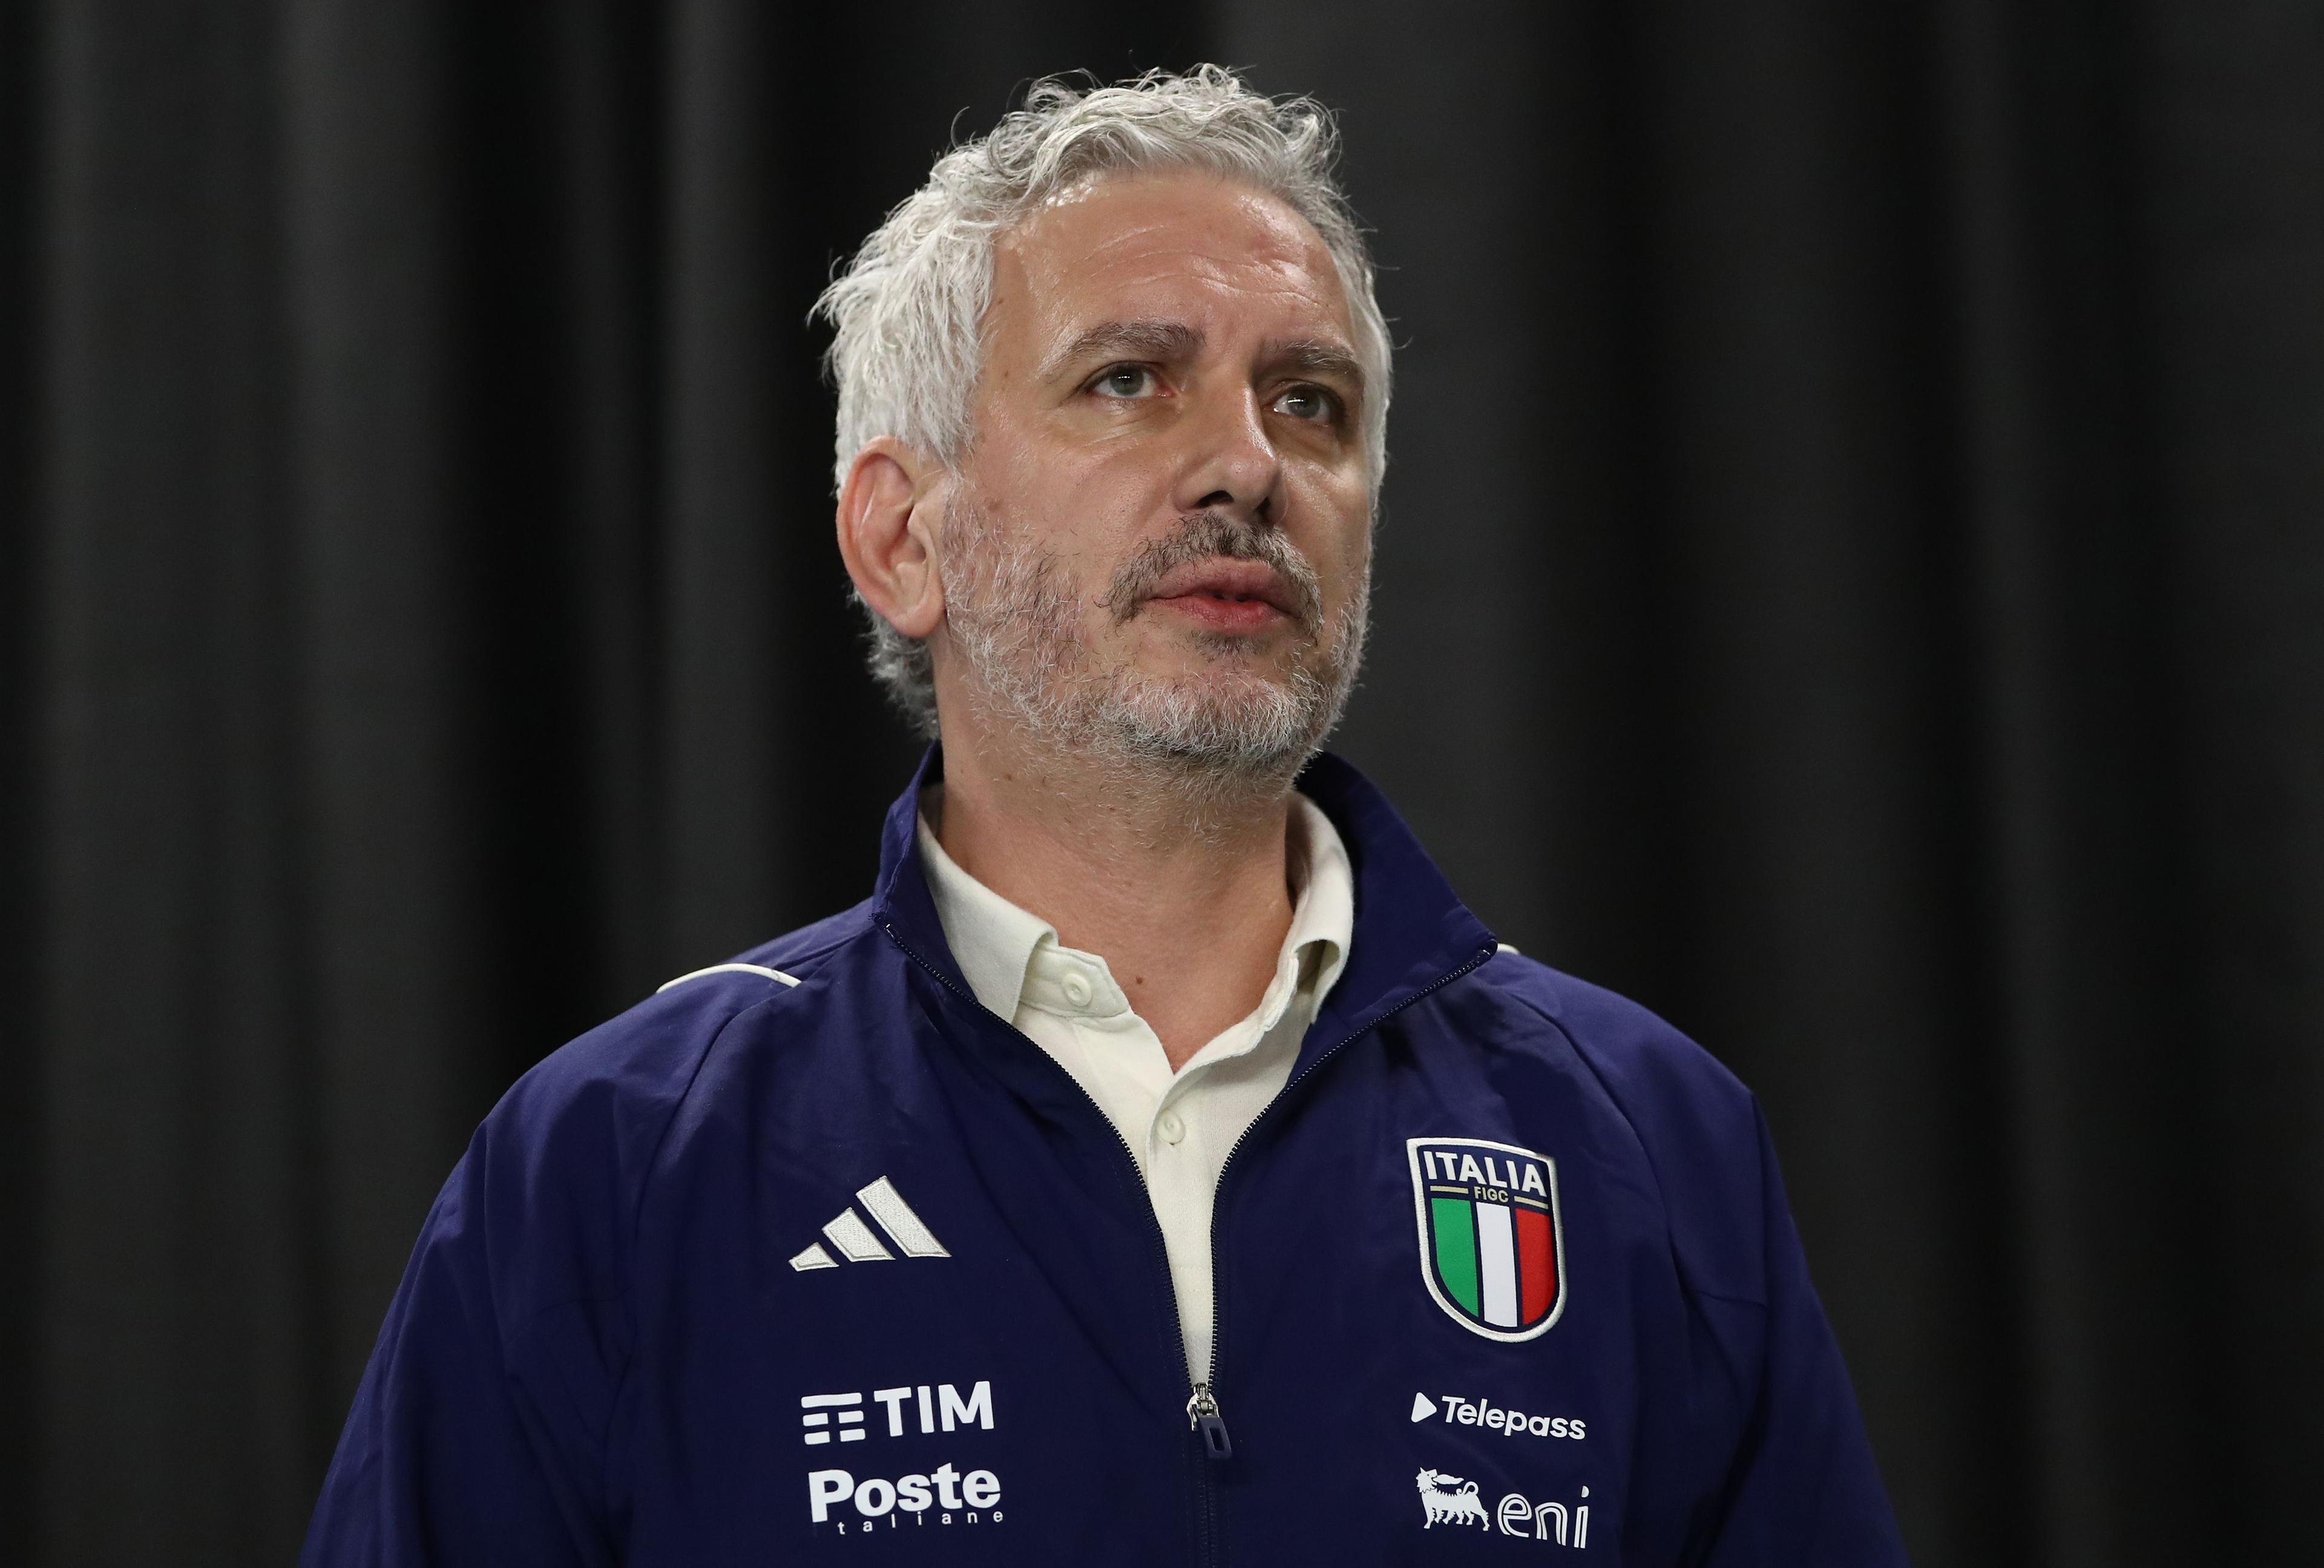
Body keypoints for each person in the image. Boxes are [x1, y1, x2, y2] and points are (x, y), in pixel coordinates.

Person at [302, 67, 1906, 1565]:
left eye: (1313, 403)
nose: (1247, 466)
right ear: (899, 537)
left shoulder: (1648, 1142)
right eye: (1130, 382)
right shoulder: (616, 1164)